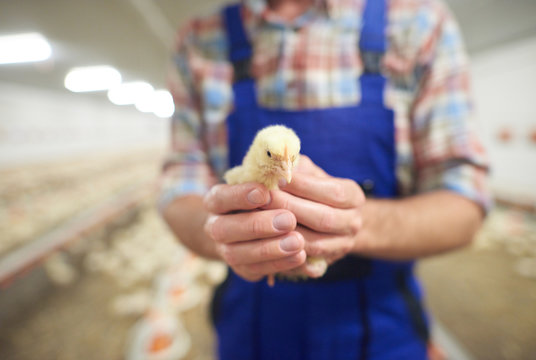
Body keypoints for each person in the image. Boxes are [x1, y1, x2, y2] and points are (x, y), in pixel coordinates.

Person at [159, 0, 490, 359]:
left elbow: (465, 200)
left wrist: (354, 223)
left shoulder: (419, 25)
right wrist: (223, 232)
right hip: (250, 326)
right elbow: (180, 182)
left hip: (380, 330)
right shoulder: (199, 41)